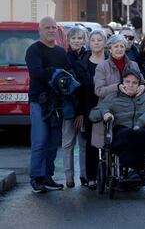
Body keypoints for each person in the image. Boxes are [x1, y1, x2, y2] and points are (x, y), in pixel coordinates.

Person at [25, 16, 71, 193]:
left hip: (57, 103)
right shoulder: (34, 50)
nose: (51, 30)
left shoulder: (60, 52)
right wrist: (56, 73)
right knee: (40, 141)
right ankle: (36, 178)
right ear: (40, 30)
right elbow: (37, 73)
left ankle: (47, 177)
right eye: (47, 28)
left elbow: (69, 73)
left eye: (53, 27)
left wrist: (60, 76)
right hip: (39, 102)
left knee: (53, 143)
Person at [89, 69, 145, 176]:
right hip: (121, 129)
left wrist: (140, 123)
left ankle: (136, 169)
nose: (130, 85)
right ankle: (131, 168)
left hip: (142, 129)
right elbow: (93, 114)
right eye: (127, 82)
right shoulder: (113, 96)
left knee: (141, 134)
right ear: (122, 82)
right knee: (126, 134)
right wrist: (105, 112)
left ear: (139, 85)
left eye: (134, 83)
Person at [73, 30, 107, 190]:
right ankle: (91, 177)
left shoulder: (110, 61)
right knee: (91, 144)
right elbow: (78, 91)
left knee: (110, 142)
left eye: (99, 40)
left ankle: (109, 175)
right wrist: (79, 112)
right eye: (93, 40)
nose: (96, 42)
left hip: (109, 107)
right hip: (88, 108)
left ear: (104, 43)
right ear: (89, 43)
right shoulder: (82, 63)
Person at [62, 27, 88, 188]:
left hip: (84, 108)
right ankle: (69, 177)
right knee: (68, 143)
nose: (77, 41)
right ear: (68, 40)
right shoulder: (64, 58)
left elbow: (87, 87)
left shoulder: (88, 56)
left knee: (84, 143)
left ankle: (84, 175)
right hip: (68, 108)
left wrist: (82, 112)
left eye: (80, 38)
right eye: (74, 38)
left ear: (84, 40)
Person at [94, 34, 141, 100]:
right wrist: (117, 87)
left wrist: (143, 86)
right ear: (110, 49)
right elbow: (99, 91)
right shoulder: (102, 67)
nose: (119, 49)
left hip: (131, 105)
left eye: (122, 46)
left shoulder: (134, 65)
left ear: (125, 49)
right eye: (116, 46)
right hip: (109, 106)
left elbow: (142, 82)